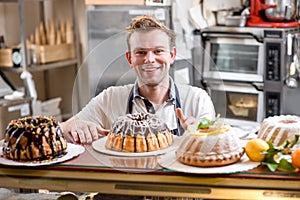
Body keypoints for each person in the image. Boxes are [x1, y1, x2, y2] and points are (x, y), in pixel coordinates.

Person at [60, 15, 215, 144]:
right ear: (130, 58)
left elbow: (214, 148)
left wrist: (201, 136)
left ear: (172, 55)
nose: (149, 59)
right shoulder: (109, 98)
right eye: (141, 52)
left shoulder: (197, 99)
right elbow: (62, 129)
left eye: (158, 51)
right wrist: (71, 126)